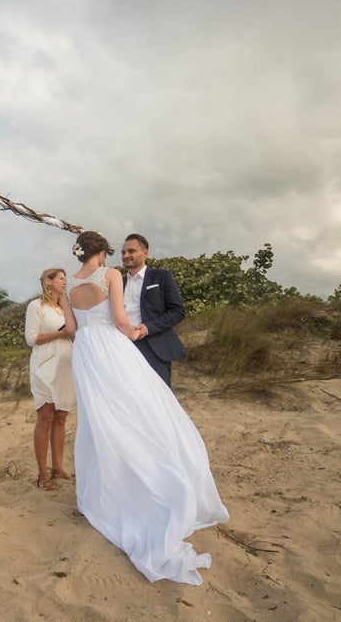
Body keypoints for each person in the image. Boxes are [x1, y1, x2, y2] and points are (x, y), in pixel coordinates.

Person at [61, 230, 229, 585]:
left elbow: (73, 329)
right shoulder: (110, 276)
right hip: (112, 346)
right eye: (111, 252)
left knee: (101, 420)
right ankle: (153, 474)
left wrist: (93, 338)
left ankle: (110, 484)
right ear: (101, 253)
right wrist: (132, 333)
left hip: (86, 354)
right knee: (138, 410)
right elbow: (121, 320)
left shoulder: (66, 287)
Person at [24, 268, 76, 491]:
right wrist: (61, 333)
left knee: (61, 417)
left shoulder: (66, 308)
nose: (65, 282)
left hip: (66, 367)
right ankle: (42, 474)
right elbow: (31, 338)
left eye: (66, 279)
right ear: (48, 281)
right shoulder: (37, 306)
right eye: (61, 278)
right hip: (44, 366)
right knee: (45, 417)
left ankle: (58, 467)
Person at [121, 233, 187, 387]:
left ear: (145, 253)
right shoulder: (119, 282)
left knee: (160, 398)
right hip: (123, 347)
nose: (126, 255)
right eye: (123, 252)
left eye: (131, 251)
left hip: (154, 346)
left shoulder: (161, 276)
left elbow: (178, 311)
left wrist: (148, 328)